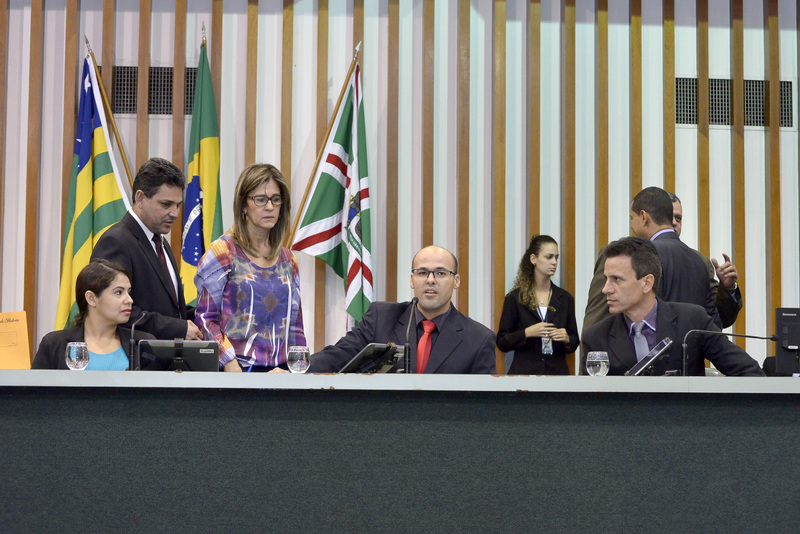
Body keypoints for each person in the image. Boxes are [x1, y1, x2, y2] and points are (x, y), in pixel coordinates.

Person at [581, 237, 763, 376]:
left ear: (647, 283)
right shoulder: (596, 338)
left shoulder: (692, 321)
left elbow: (749, 372)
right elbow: (589, 404)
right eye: (606, 279)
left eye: (616, 279)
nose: (605, 289)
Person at [308, 245, 496, 374]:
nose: (430, 280)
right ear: (412, 280)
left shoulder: (479, 339)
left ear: (456, 281)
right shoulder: (381, 318)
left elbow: (483, 404)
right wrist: (299, 367)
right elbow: (340, 355)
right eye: (422, 273)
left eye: (440, 273)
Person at [194, 164, 305, 372]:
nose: (270, 207)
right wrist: (228, 362)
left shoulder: (289, 260)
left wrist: (296, 371)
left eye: (276, 199)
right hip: (234, 370)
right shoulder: (223, 252)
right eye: (261, 199)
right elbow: (205, 319)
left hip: (281, 374)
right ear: (243, 205)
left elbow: (296, 328)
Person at [91, 158, 202, 340]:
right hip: (133, 357)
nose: (175, 213)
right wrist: (177, 328)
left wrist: (206, 315)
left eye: (178, 205)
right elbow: (112, 310)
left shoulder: (160, 242)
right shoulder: (115, 242)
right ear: (140, 198)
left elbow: (170, 311)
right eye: (166, 204)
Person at [583, 186, 720, 332]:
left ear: (643, 217)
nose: (632, 225)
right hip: (690, 346)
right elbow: (714, 323)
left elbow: (597, 317)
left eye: (632, 218)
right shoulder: (700, 261)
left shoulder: (626, 256)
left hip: (641, 345)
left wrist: (591, 346)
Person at [32, 259, 155, 370]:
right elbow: (35, 388)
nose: (129, 300)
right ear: (91, 298)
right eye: (118, 292)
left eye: (128, 292)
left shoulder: (144, 344)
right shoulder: (54, 344)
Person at [496, 235, 579, 375]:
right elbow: (502, 342)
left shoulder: (565, 299)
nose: (554, 262)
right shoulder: (515, 298)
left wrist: (567, 339)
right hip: (524, 376)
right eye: (549, 257)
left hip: (556, 375)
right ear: (533, 259)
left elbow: (574, 341)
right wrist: (527, 333)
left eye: (556, 258)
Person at [669, 192, 742, 328]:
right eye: (669, 217)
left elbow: (720, 318)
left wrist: (727, 288)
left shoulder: (699, 262)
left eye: (678, 218)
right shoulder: (633, 258)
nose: (674, 223)